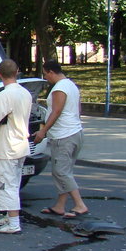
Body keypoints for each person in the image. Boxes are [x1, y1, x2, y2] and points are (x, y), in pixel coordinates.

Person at [33, 60, 89, 218]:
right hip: (75, 132)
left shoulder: (59, 88)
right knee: (65, 172)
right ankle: (60, 206)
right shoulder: (71, 85)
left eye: (45, 74)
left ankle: (80, 205)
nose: (45, 78)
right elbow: (78, 109)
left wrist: (43, 131)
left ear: (51, 72)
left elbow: (56, 112)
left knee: (61, 172)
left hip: (63, 136)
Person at [0, 59, 34, 234]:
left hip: (7, 146)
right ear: (17, 72)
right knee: (14, 182)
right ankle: (9, 216)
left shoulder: (4, 95)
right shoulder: (25, 93)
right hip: (21, 144)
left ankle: (13, 223)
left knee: (4, 184)